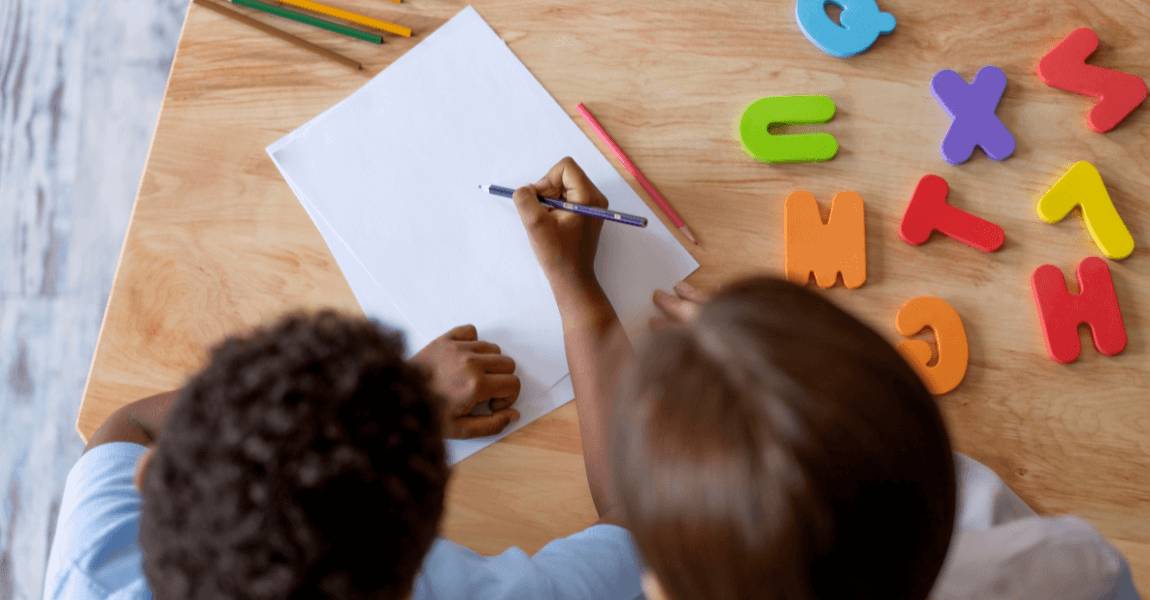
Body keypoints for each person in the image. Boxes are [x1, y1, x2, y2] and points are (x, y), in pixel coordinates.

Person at [42, 309, 641, 599]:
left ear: (151, 478)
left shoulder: (92, 573)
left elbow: (129, 424)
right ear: (415, 569)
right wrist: (583, 302)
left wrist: (383, 409)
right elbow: (649, 530)